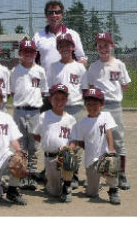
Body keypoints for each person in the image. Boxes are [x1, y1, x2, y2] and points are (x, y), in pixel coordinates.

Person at [87, 32, 131, 190]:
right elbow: (91, 87)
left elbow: (125, 85)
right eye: (100, 45)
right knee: (98, 140)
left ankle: (122, 173)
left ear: (111, 46)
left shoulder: (119, 64)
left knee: (118, 141)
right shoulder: (93, 67)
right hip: (99, 108)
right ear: (96, 48)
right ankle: (98, 174)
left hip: (114, 106)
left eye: (106, 45)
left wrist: (115, 97)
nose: (103, 48)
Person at [49, 33, 88, 188]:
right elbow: (50, 90)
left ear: (73, 47)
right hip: (59, 109)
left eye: (68, 45)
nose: (65, 48)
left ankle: (74, 175)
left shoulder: (80, 67)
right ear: (58, 48)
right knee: (60, 140)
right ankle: (61, 173)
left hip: (76, 107)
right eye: (61, 45)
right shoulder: (53, 67)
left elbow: (85, 89)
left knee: (76, 143)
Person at [69, 87, 121, 205]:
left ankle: (113, 191)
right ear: (85, 105)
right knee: (92, 193)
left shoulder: (106, 116)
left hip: (105, 155)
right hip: (90, 159)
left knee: (111, 167)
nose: (92, 107)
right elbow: (80, 141)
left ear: (102, 105)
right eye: (89, 104)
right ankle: (93, 188)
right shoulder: (81, 124)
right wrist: (70, 149)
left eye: (95, 104)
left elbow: (109, 133)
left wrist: (111, 149)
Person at [10, 37, 48, 190]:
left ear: (35, 53)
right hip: (19, 111)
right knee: (21, 145)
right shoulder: (14, 71)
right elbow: (12, 91)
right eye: (25, 51)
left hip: (34, 112)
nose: (28, 54)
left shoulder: (40, 71)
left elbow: (44, 91)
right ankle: (22, 174)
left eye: (31, 52)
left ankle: (31, 175)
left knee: (33, 145)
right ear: (20, 53)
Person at [32, 84, 76, 203]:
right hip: (50, 158)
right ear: (50, 99)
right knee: (55, 193)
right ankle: (49, 181)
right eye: (56, 98)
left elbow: (74, 140)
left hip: (63, 156)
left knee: (67, 156)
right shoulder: (44, 116)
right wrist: (46, 142)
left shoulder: (70, 119)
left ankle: (67, 186)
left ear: (66, 100)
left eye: (63, 99)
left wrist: (68, 150)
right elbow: (35, 134)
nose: (59, 101)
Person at [32, 0, 88, 90]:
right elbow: (32, 63)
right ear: (46, 16)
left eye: (57, 12)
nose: (54, 15)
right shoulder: (38, 36)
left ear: (62, 14)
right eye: (50, 13)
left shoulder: (73, 35)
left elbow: (82, 59)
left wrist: (73, 73)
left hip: (68, 89)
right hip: (46, 89)